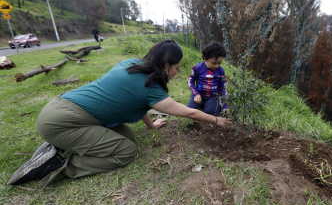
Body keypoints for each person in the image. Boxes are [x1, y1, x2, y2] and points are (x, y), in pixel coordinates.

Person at [7, 40, 233, 187]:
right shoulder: (151, 88)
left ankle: (58, 145)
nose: (176, 72)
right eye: (176, 68)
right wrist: (216, 119)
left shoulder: (133, 64)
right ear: (165, 66)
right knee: (125, 151)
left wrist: (151, 126)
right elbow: (189, 113)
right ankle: (56, 166)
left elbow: (140, 103)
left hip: (59, 108)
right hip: (60, 122)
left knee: (126, 135)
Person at [187, 42, 228, 116]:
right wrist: (196, 94)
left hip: (213, 96)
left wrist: (225, 106)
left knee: (211, 113)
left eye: (220, 63)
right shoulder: (198, 68)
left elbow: (223, 88)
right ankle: (201, 105)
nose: (217, 66)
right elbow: (190, 81)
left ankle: (209, 107)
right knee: (189, 111)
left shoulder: (221, 71)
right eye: (214, 63)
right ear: (205, 58)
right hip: (199, 94)